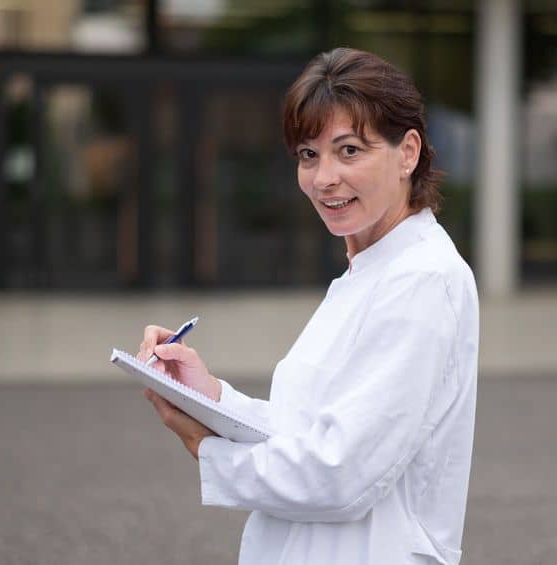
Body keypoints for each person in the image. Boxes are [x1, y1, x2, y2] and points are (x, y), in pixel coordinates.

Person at [138, 47, 479, 565]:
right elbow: (309, 428)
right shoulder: (368, 271)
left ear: (407, 153)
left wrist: (207, 449)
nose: (324, 179)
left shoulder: (423, 279)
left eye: (349, 151)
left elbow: (340, 474)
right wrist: (208, 395)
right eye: (308, 154)